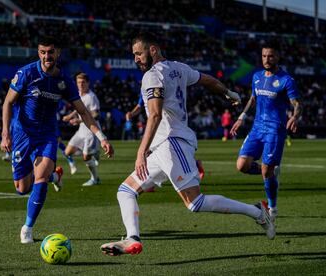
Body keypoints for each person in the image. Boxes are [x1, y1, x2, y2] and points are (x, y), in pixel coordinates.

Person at [100, 32, 274, 256]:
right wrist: (228, 93)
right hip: (165, 147)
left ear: (153, 50)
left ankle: (258, 212)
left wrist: (141, 152)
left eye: (138, 53)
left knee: (195, 203)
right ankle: (132, 238)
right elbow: (209, 80)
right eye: (134, 55)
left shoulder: (152, 76)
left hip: (173, 143)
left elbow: (154, 115)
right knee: (125, 191)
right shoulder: (179, 68)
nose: (136, 59)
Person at [0, 36, 114, 244]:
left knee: (40, 176)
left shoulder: (64, 81)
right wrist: (5, 133)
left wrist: (102, 137)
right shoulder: (26, 73)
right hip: (22, 134)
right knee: (22, 188)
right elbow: (8, 102)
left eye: (50, 52)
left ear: (58, 53)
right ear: (38, 52)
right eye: (42, 52)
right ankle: (55, 177)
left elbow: (84, 112)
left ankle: (27, 228)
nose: (46, 56)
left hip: (47, 134)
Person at [230, 42, 302, 224]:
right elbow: (253, 99)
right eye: (264, 56)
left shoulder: (286, 80)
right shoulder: (256, 77)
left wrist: (295, 116)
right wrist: (241, 117)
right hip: (257, 128)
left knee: (265, 169)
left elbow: (297, 103)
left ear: (277, 57)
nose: (266, 59)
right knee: (241, 165)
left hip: (274, 130)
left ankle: (272, 208)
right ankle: (270, 173)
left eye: (270, 56)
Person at [62, 72, 103, 187]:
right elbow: (79, 108)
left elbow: (96, 115)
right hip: (81, 130)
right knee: (67, 152)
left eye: (83, 82)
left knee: (86, 157)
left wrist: (78, 120)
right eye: (78, 82)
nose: (80, 85)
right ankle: (93, 152)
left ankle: (95, 179)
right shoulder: (79, 94)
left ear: (88, 83)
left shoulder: (91, 97)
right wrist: (70, 116)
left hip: (91, 130)